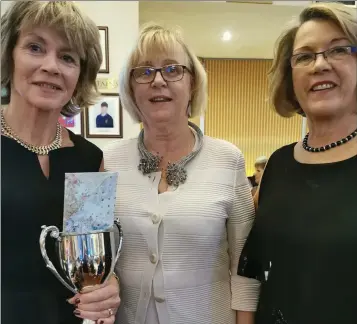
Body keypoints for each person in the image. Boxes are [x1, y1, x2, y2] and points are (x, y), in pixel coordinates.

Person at [104, 23, 258, 324]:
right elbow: (95, 264)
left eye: (172, 69)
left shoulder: (228, 158)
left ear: (193, 85)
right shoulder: (106, 162)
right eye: (144, 72)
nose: (158, 81)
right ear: (131, 90)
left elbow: (244, 265)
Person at [1, 2, 120, 323]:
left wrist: (107, 289)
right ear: (8, 55)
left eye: (67, 57)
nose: (52, 66)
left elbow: (92, 268)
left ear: (80, 75)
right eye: (35, 47)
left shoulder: (89, 158)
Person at [238, 3, 357, 324]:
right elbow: (253, 268)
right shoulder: (278, 163)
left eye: (339, 50)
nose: (320, 65)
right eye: (304, 56)